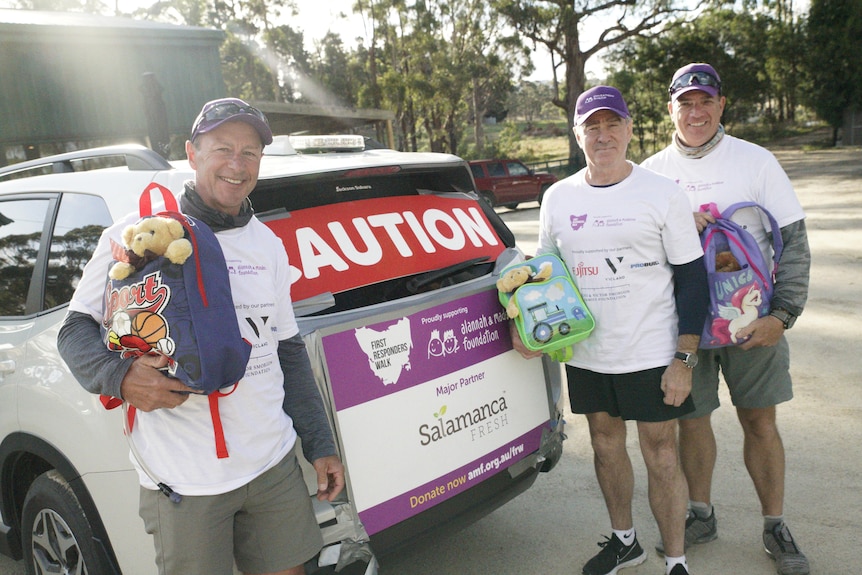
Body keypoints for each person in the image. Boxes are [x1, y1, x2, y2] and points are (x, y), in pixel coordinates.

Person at [58, 97, 345, 575]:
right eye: (223, 149)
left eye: (250, 152)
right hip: (184, 482)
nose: (237, 165)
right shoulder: (135, 233)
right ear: (192, 153)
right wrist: (120, 376)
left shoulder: (267, 244)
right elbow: (74, 331)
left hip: (271, 466)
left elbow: (287, 350)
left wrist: (319, 443)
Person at [513, 85, 709, 575]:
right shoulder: (558, 197)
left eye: (612, 124)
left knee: (662, 453)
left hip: (651, 352)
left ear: (628, 129)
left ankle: (677, 561)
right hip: (586, 352)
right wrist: (531, 326)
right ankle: (626, 543)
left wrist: (684, 359)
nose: (603, 135)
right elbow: (546, 271)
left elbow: (692, 280)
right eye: (592, 126)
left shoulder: (663, 193)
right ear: (578, 134)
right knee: (604, 443)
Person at [642, 63, 811, 575]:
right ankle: (701, 513)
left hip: (751, 322)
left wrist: (782, 314)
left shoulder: (756, 162)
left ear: (721, 105)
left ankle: (774, 524)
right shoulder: (649, 173)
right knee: (692, 420)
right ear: (670, 107)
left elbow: (795, 245)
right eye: (685, 103)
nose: (696, 112)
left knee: (759, 419)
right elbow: (641, 253)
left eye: (705, 102)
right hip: (684, 327)